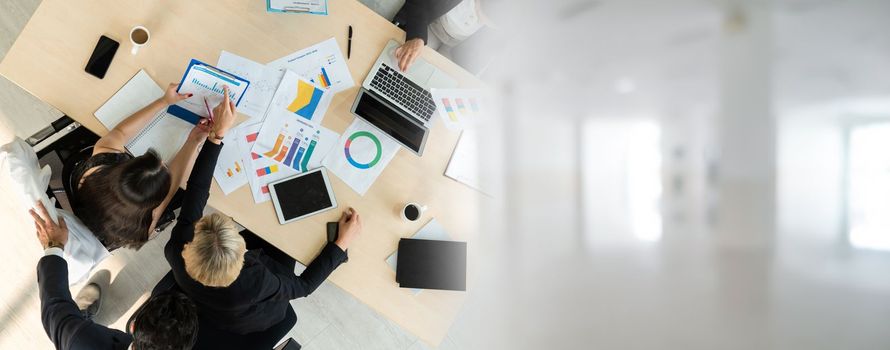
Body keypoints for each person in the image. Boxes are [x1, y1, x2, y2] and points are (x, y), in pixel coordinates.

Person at [163, 89, 362, 335]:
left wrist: (217, 136)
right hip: (249, 316)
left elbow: (197, 190)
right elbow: (303, 287)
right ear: (243, 258)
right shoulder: (254, 282)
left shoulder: (178, 247)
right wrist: (340, 245)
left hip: (207, 297)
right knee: (287, 237)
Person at [30, 200, 199, 350]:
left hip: (82, 338)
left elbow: (54, 310)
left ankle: (79, 317)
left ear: (133, 326)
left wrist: (54, 245)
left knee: (72, 325)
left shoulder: (79, 342)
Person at [72, 83, 211, 250]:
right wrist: (194, 140)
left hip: (89, 210)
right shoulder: (145, 225)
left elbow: (121, 132)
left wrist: (164, 101)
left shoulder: (101, 161)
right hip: (102, 229)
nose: (163, 163)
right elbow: (172, 187)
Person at [392, 0, 498, 71]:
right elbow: (420, 3)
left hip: (458, 46)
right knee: (407, 63)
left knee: (439, 82)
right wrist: (417, 36)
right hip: (434, 25)